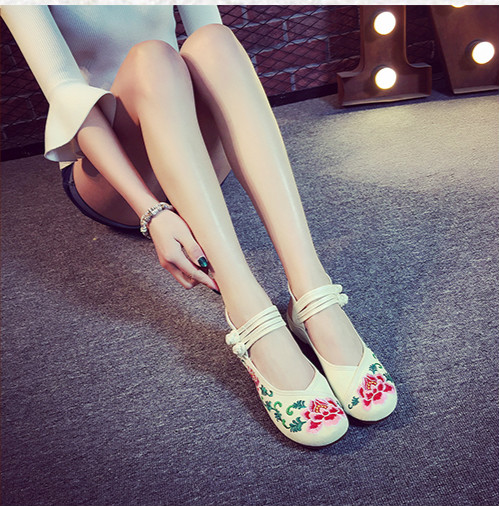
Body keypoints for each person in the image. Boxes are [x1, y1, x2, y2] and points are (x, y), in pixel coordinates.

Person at [1, 5, 397, 446]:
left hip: (186, 140)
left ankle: (312, 294)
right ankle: (248, 311)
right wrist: (151, 212)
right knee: (152, 57)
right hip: (116, 170)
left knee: (215, 40)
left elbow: (216, 56)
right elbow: (67, 95)